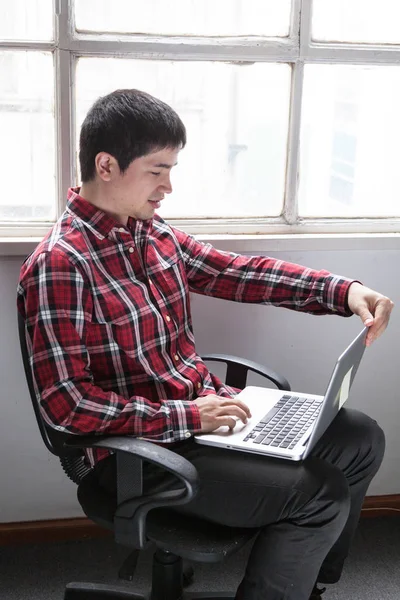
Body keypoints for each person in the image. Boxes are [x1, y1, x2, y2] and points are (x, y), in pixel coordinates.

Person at [17, 89, 393, 600]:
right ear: (106, 165)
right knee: (318, 495)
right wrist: (190, 417)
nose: (168, 186)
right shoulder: (61, 265)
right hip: (144, 454)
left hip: (205, 420)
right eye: (157, 170)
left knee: (360, 438)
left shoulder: (150, 233)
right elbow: (69, 409)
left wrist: (342, 291)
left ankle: (304, 585)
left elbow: (234, 272)